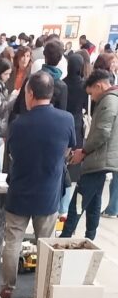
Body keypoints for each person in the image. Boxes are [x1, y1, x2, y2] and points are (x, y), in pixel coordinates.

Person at [0, 72, 75, 298]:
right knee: (46, 244)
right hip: (48, 192)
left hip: (19, 190)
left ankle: (7, 289)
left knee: (13, 241)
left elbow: (12, 153)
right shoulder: (67, 119)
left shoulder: (18, 124)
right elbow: (68, 150)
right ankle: (43, 292)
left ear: (30, 93)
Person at [61, 69, 118, 241]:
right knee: (94, 201)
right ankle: (90, 237)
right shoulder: (111, 99)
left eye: (91, 93)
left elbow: (102, 133)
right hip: (102, 159)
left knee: (79, 199)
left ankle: (65, 236)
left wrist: (84, 151)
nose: (92, 98)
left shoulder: (108, 101)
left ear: (99, 86)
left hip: (99, 159)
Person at [62, 51, 89, 214]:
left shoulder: (61, 84)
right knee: (72, 166)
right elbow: (86, 107)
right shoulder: (84, 86)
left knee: (60, 161)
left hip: (62, 125)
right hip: (77, 126)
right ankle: (64, 208)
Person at [13, 40, 68, 117]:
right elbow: (61, 113)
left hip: (28, 121)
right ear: (60, 59)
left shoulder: (30, 79)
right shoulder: (62, 87)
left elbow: (17, 107)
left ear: (44, 56)